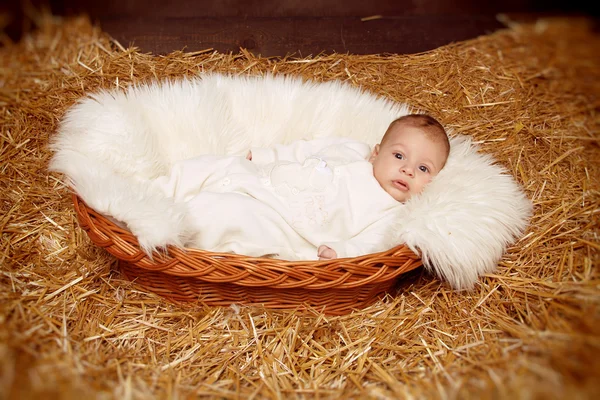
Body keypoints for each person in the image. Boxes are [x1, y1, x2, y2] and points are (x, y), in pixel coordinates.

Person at [153, 114, 450, 261]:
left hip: (283, 223)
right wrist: (267, 156)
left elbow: (372, 244)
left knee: (226, 212)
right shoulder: (352, 150)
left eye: (423, 169)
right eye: (398, 156)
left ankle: (165, 230)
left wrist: (341, 251)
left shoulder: (391, 212)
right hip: (262, 179)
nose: (407, 169)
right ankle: (152, 195)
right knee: (217, 166)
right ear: (376, 152)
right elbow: (304, 150)